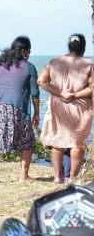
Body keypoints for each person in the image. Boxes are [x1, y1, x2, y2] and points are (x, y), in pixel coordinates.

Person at [0, 35, 40, 185]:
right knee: (27, 140)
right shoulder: (29, 67)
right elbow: (35, 94)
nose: (29, 54)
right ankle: (23, 176)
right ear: (24, 51)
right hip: (16, 107)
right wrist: (37, 114)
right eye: (29, 51)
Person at [38, 33, 94, 183]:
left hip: (59, 104)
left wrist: (60, 92)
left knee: (58, 141)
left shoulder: (55, 61)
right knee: (78, 143)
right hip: (80, 108)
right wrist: (75, 95)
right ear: (83, 47)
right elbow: (92, 86)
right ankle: (73, 179)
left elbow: (41, 81)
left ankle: (57, 177)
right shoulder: (88, 64)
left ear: (69, 46)